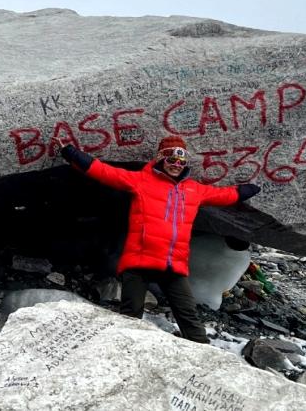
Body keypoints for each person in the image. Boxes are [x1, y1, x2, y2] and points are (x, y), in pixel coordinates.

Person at [56, 135, 260, 343]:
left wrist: (249, 189)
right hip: (139, 260)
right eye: (171, 160)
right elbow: (105, 172)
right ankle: (122, 355)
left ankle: (207, 361)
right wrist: (71, 153)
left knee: (188, 316)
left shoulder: (193, 190)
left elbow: (224, 195)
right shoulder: (141, 181)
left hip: (172, 264)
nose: (176, 165)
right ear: (161, 159)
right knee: (130, 315)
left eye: (181, 162)